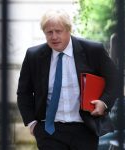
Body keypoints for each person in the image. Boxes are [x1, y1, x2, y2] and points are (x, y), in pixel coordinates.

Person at [17, 9, 118, 150]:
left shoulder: (93, 50)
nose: (54, 37)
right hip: (49, 131)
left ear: (69, 30)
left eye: (58, 31)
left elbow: (115, 80)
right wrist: (33, 123)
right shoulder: (33, 56)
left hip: (85, 129)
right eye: (49, 32)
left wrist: (104, 102)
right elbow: (23, 93)